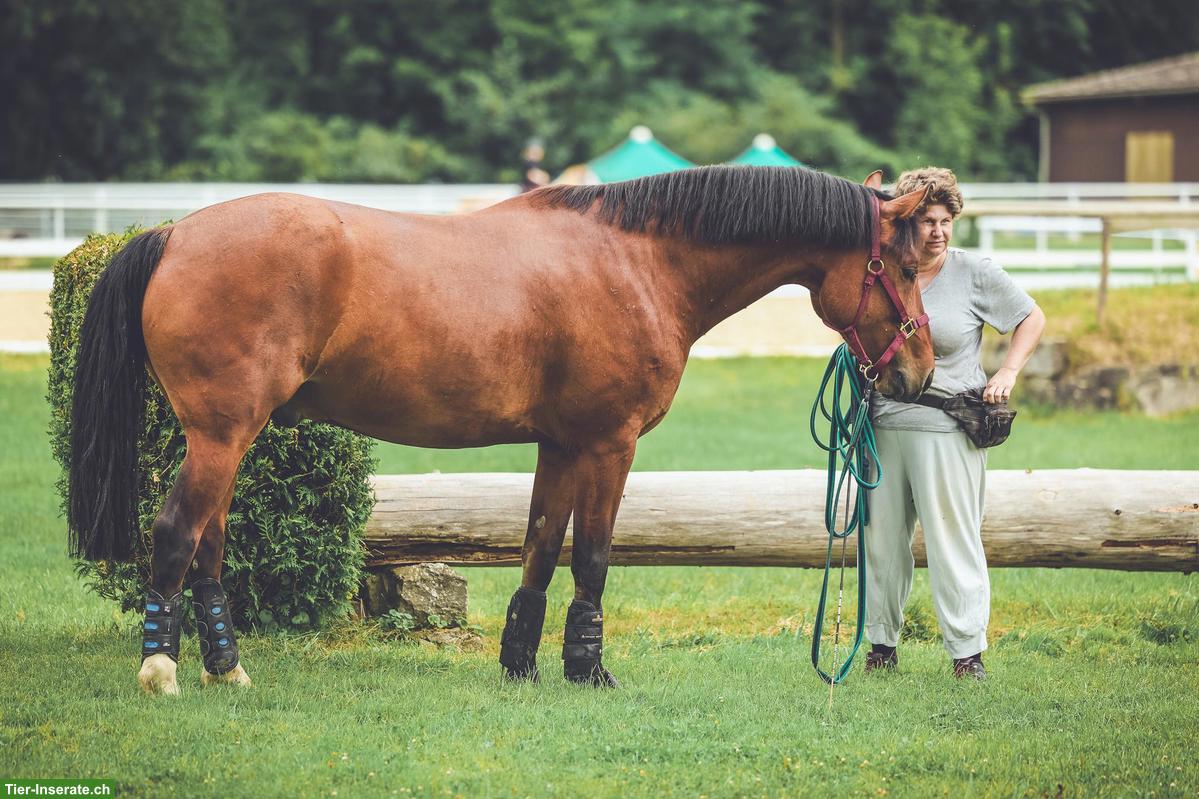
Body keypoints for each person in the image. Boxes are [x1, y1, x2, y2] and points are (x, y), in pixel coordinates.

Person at [864, 166, 1046, 680]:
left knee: (952, 539)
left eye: (946, 220)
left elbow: (1031, 317)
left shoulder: (974, 273)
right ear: (907, 224)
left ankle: (967, 653)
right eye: (927, 220)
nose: (938, 231)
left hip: (946, 426)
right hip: (883, 423)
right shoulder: (884, 270)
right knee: (881, 541)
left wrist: (1007, 371)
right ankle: (882, 645)